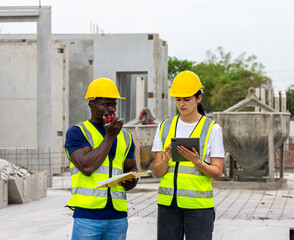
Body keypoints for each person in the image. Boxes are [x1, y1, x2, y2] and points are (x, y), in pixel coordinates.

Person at [152, 70, 224, 240]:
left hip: (199, 208)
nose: (181, 104)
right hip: (168, 207)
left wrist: (197, 162)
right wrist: (167, 158)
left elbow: (217, 173)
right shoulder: (164, 127)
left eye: (186, 99)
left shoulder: (212, 129)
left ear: (198, 98)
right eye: (178, 99)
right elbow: (158, 172)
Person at [65, 77, 138, 240]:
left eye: (114, 104)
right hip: (87, 217)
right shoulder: (77, 132)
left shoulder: (125, 136)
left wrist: (133, 179)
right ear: (92, 105)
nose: (111, 109)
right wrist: (110, 136)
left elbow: (131, 167)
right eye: (105, 104)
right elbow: (87, 167)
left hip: (118, 217)